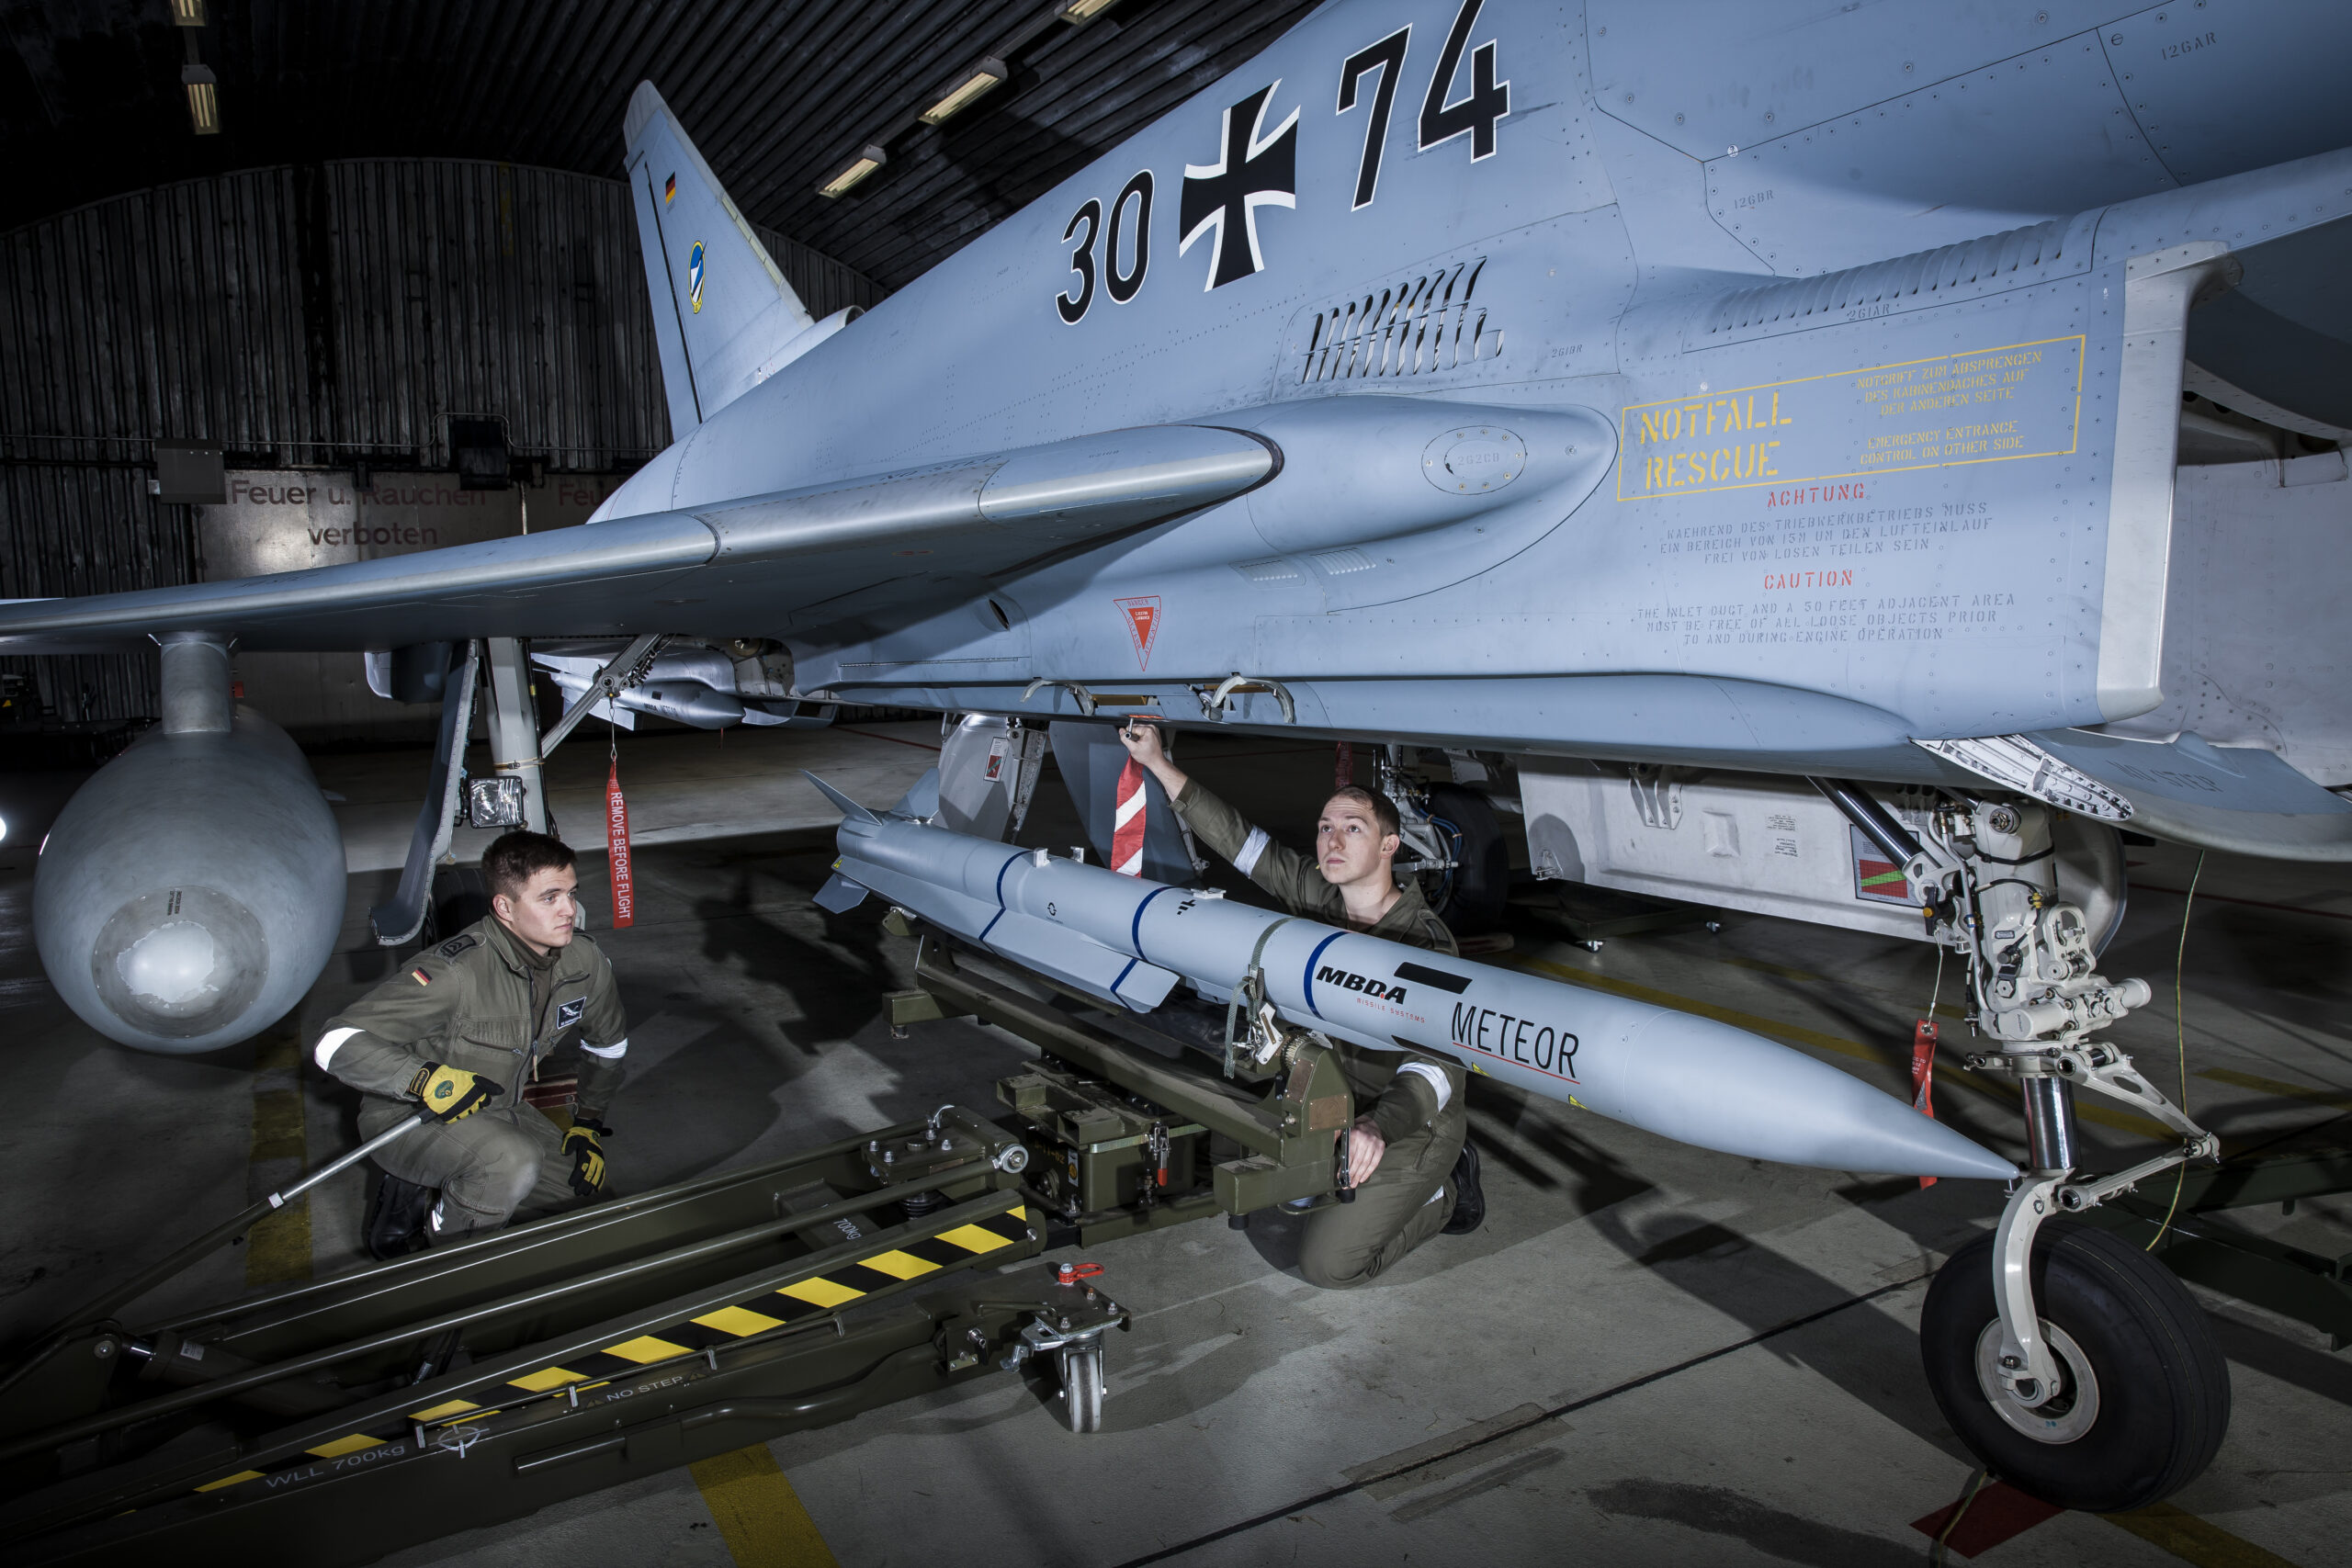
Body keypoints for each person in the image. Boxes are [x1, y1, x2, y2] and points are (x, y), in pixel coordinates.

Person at [1117, 720, 1485, 1288]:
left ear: (1390, 845)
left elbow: (1438, 1068)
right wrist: (1159, 764)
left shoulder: (1426, 945)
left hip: (1404, 1120)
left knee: (1328, 1267)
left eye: (1353, 829)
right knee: (1232, 1177)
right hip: (1329, 1094)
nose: (1332, 842)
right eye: (1324, 828)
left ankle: (1444, 1192)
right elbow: (1243, 843)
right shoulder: (1319, 893)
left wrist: (1380, 1129)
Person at [314, 830, 629, 1254]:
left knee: (590, 1198)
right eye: (549, 898)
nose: (569, 910)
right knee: (508, 1163)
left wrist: (588, 1122)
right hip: (410, 1115)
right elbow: (335, 1042)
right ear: (504, 907)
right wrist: (426, 1080)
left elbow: (607, 1046)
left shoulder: (584, 962)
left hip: (499, 1110)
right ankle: (446, 1271)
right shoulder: (454, 973)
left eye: (572, 894)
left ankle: (452, 1189)